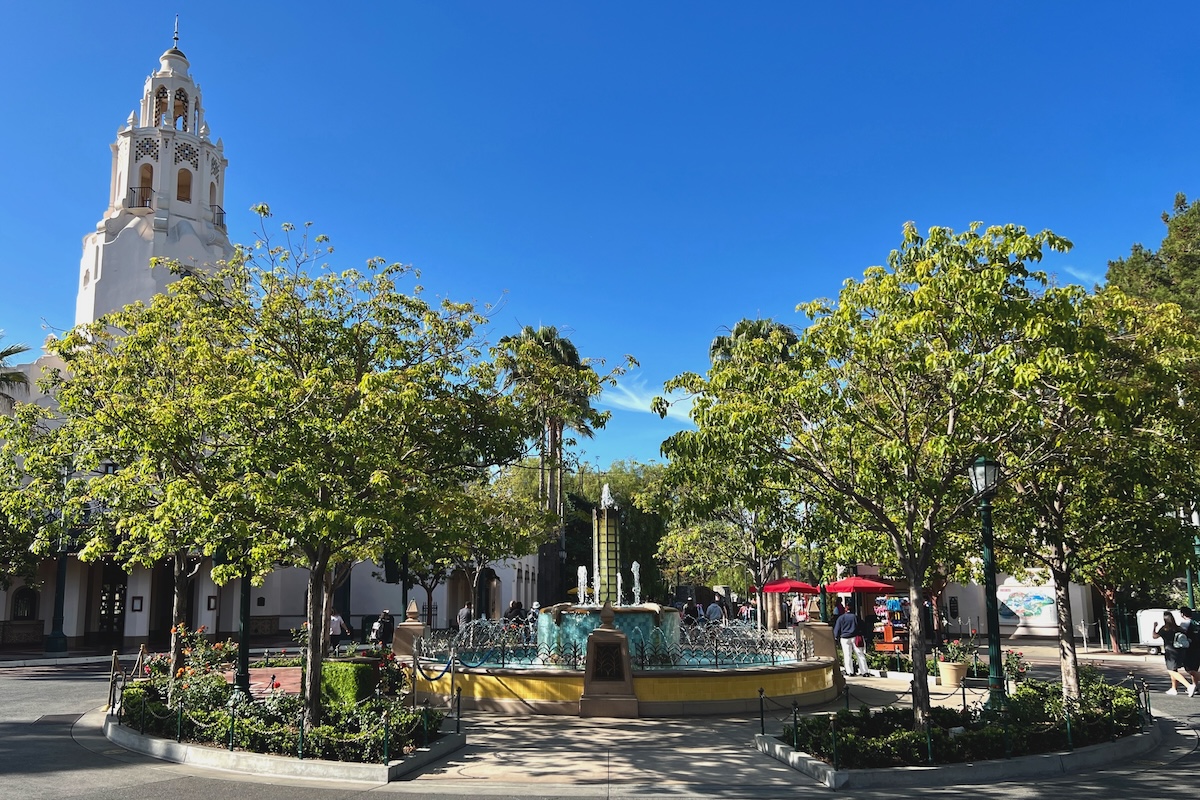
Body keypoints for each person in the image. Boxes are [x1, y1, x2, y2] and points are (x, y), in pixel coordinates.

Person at [1152, 610, 1196, 696]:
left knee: (1171, 671)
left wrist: (1154, 627)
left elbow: (1154, 636)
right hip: (1181, 651)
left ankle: (1189, 686)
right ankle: (1174, 688)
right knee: (1174, 669)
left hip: (1170, 652)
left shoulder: (1164, 629)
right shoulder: (1178, 628)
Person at [833, 609, 871, 677]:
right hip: (855, 637)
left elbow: (837, 629)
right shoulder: (855, 617)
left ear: (845, 610)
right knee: (860, 654)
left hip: (844, 638)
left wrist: (836, 637)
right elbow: (862, 626)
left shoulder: (841, 618)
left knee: (847, 655)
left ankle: (850, 671)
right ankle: (864, 671)